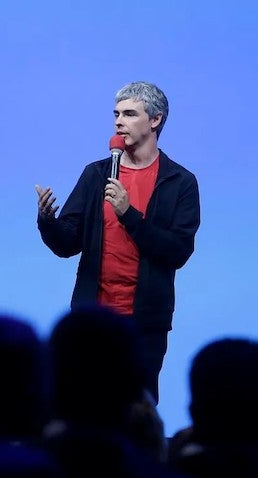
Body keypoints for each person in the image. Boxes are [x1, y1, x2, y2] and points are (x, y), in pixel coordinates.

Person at [35, 81, 200, 401]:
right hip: (91, 317)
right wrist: (48, 222)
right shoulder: (96, 174)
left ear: (155, 120)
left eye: (129, 114)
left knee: (136, 404)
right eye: (116, 114)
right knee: (81, 401)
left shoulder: (180, 182)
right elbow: (67, 244)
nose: (118, 122)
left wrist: (128, 215)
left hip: (145, 322)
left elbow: (177, 251)